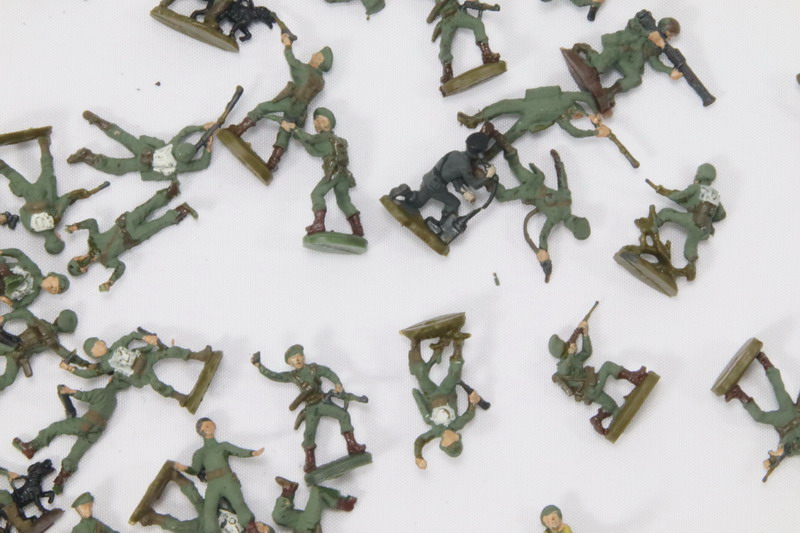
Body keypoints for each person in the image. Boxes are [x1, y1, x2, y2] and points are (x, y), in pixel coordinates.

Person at [226, 34, 333, 172]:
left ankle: (240, 129)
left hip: (291, 102)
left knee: (262, 108)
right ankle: (273, 162)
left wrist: (287, 44)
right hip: (300, 111)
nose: (313, 54)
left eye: (316, 55)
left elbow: (292, 61)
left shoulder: (305, 70)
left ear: (319, 60)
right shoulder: (321, 82)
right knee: (285, 131)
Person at [251, 345, 366, 473]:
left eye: (300, 356)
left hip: (322, 402)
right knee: (309, 433)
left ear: (303, 357)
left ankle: (352, 446)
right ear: (289, 362)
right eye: (293, 358)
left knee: (343, 415)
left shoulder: (313, 369)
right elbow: (275, 376)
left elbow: (328, 372)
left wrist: (337, 383)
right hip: (311, 408)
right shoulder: (292, 376)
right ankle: (310, 461)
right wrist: (259, 366)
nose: (298, 359)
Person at [66, 181, 197, 292]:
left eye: (79, 260)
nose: (83, 261)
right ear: (85, 270)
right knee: (158, 224)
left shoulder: (92, 240)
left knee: (147, 207)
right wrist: (111, 281)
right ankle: (182, 210)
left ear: (76, 257)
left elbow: (92, 223)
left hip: (125, 223)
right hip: (133, 237)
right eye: (82, 266)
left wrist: (76, 226)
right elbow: (120, 267)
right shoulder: (106, 261)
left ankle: (170, 192)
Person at [0, 131, 109, 254]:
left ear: (55, 239)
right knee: (11, 174)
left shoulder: (55, 220)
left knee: (47, 167)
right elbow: (22, 211)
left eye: (60, 239)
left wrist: (84, 194)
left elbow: (66, 198)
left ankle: (43, 141)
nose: (60, 236)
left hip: (44, 190)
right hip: (28, 194)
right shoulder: (31, 229)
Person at [13, 377, 128, 493]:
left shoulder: (102, 392)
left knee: (56, 427)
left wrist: (70, 391)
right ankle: (61, 480)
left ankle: (31, 447)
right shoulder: (114, 401)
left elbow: (84, 396)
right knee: (76, 454)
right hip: (96, 432)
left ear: (111, 380)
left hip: (85, 424)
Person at [62, 330, 214, 407]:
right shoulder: (105, 365)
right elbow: (88, 374)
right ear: (93, 354)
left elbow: (131, 335)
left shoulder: (117, 345)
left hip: (144, 358)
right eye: (96, 347)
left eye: (99, 342)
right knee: (157, 385)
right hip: (139, 373)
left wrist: (145, 337)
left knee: (170, 351)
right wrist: (70, 369)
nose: (101, 345)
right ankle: (181, 398)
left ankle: (200, 356)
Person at [549, 319, 648, 435]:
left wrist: (585, 335)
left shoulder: (574, 360)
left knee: (612, 407)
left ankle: (597, 420)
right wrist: (570, 354)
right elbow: (564, 370)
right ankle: (633, 377)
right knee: (608, 366)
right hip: (590, 388)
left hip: (592, 387)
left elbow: (586, 352)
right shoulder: (562, 367)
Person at [389, 132, 495, 236]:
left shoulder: (455, 153)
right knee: (453, 204)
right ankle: (442, 226)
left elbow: (454, 176)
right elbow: (475, 184)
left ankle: (407, 193)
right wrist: (489, 175)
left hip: (429, 178)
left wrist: (464, 192)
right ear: (480, 154)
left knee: (418, 201)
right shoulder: (465, 166)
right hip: (436, 186)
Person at [457, 86, 609, 158]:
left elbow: (574, 132)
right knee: (502, 105)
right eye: (578, 114)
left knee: (512, 133)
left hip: (531, 117)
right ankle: (474, 119)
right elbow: (585, 96)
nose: (576, 116)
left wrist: (595, 132)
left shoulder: (562, 117)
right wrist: (596, 111)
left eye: (577, 116)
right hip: (526, 103)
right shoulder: (566, 97)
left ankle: (490, 153)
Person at [282, 108, 363, 236]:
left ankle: (319, 224)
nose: (315, 123)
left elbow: (310, 139)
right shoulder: (336, 140)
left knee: (317, 194)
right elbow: (314, 151)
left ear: (326, 123)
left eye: (318, 121)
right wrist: (299, 137)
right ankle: (358, 230)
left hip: (333, 172)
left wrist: (295, 129)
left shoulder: (324, 137)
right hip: (344, 175)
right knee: (343, 201)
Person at [174, 418, 264, 533]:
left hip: (228, 481)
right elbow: (195, 470)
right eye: (206, 426)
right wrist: (185, 468)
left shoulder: (223, 446)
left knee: (238, 503)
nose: (209, 427)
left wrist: (251, 453)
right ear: (200, 431)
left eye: (211, 425)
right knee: (209, 510)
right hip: (213, 485)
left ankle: (251, 528)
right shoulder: (200, 453)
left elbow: (238, 451)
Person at [67, 111, 213, 182]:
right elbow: (201, 163)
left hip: (145, 162)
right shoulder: (178, 157)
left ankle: (88, 155)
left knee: (118, 162)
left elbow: (184, 133)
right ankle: (97, 124)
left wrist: (206, 145)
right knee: (122, 141)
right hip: (147, 151)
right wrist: (201, 129)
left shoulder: (180, 162)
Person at [408, 335, 482, 469]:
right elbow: (469, 416)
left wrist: (418, 455)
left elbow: (420, 440)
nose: (450, 437)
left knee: (420, 373)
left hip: (430, 395)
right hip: (447, 392)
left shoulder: (435, 432)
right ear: (457, 437)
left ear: (443, 444)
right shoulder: (456, 424)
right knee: (454, 374)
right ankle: (458, 345)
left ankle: (415, 344)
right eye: (454, 439)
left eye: (448, 442)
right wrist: (473, 402)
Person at [725, 353, 800, 478]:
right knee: (779, 389)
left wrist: (775, 459)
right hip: (793, 414)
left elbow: (775, 458)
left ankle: (738, 393)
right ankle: (765, 361)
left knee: (759, 417)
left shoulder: (791, 451)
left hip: (782, 422)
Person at [571, 14, 681, 97]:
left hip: (628, 61)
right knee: (599, 68)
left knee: (635, 78)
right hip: (618, 48)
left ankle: (609, 93)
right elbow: (633, 23)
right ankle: (587, 50)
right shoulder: (645, 24)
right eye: (670, 35)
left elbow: (655, 62)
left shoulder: (656, 46)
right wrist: (648, 34)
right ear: (663, 29)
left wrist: (669, 71)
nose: (670, 38)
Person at [652, 163, 725, 266]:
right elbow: (722, 215)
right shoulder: (716, 195)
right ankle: (691, 262)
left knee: (666, 212)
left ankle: (652, 227)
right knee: (691, 244)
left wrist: (665, 193)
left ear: (700, 174)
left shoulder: (696, 187)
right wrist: (709, 218)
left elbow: (680, 196)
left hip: (692, 220)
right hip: (704, 228)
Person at [0, 307, 82, 391]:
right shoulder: (53, 342)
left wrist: (5, 317)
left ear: (57, 319)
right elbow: (66, 354)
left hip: (11, 346)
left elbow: (25, 313)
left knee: (8, 378)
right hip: (18, 356)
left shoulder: (40, 324)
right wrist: (83, 363)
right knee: (8, 378)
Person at [428, 0, 501, 83]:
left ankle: (487, 54)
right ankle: (447, 71)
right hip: (446, 20)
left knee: (477, 24)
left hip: (458, 14)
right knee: (444, 44)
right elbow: (429, 19)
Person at [271, 476, 356, 533]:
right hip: (307, 528)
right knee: (317, 491)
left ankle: (289, 489)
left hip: (297, 526)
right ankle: (342, 502)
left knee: (278, 516)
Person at [0, 248, 68, 311]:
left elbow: (21, 305)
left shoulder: (34, 293)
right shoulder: (33, 269)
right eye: (53, 285)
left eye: (54, 290)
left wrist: (8, 301)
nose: (52, 288)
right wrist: (2, 252)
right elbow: (19, 254)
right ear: (52, 276)